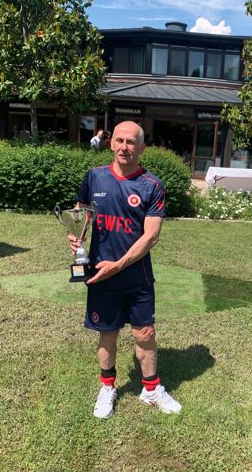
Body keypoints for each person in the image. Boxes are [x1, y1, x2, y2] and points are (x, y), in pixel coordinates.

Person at [68, 120, 181, 419]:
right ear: (110, 143)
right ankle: (107, 387)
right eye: (119, 140)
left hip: (136, 276)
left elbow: (151, 236)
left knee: (145, 333)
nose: (124, 147)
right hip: (100, 274)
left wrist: (118, 265)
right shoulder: (94, 178)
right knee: (107, 333)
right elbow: (81, 214)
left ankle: (151, 388)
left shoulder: (152, 186)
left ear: (142, 148)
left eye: (131, 142)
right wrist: (76, 234)